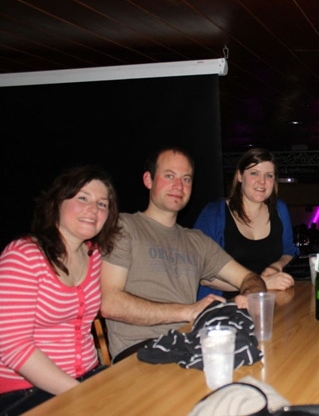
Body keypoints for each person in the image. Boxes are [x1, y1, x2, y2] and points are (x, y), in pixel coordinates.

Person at [100, 146, 267, 363]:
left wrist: (249, 297)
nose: (179, 186)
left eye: (186, 179)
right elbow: (110, 303)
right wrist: (187, 312)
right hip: (140, 353)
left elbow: (249, 278)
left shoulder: (196, 241)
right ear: (148, 180)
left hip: (190, 345)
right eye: (169, 176)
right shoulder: (124, 227)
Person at [0, 166, 121, 415]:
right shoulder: (23, 256)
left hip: (87, 377)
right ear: (57, 203)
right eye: (82, 198)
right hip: (25, 391)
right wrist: (81, 392)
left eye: (102, 204)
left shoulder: (95, 256)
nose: (93, 209)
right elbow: (12, 346)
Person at [194, 148, 296, 299]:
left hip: (268, 301)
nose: (262, 181)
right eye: (254, 173)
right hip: (222, 303)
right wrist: (261, 283)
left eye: (269, 175)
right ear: (240, 176)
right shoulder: (214, 213)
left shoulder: (279, 209)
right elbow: (203, 275)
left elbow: (289, 250)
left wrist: (277, 266)